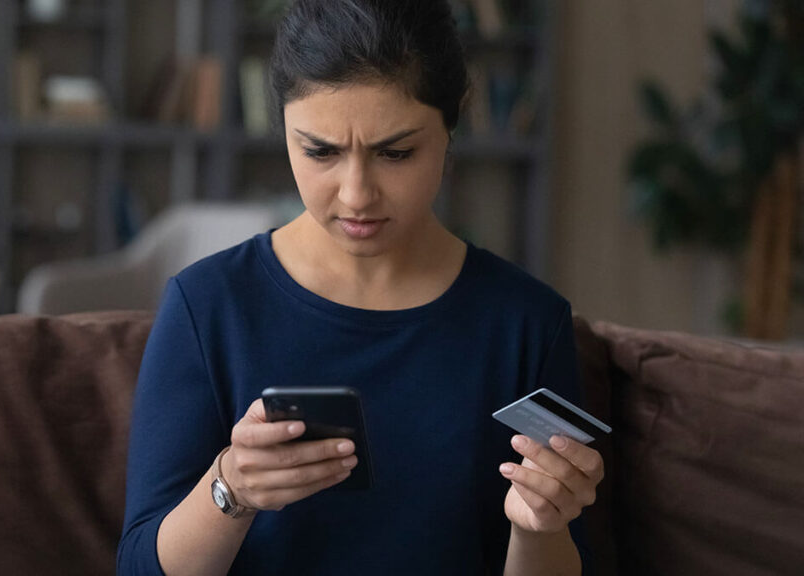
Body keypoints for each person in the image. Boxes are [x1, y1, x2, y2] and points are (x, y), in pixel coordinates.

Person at [118, 1, 603, 574]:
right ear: (284, 132)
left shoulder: (527, 324)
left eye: (395, 153)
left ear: (451, 126)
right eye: (320, 151)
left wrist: (536, 527)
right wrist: (231, 489)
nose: (355, 195)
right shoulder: (209, 307)